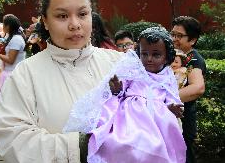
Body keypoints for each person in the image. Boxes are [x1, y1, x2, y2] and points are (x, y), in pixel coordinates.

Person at [0, 0, 123, 163]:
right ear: (45, 21)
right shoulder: (26, 74)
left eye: (83, 14)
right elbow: (14, 139)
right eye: (62, 16)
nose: (75, 24)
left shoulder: (117, 63)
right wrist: (82, 146)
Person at [64, 27, 186, 163]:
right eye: (144, 54)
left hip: (157, 117)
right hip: (130, 115)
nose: (149, 59)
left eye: (156, 55)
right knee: (118, 142)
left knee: (156, 146)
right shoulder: (133, 68)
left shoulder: (167, 75)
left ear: (166, 57)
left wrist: (170, 107)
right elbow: (122, 90)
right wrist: (117, 89)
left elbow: (171, 95)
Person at [170, 16, 206, 163]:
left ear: (192, 40)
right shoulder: (172, 54)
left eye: (179, 36)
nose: (174, 38)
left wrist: (163, 99)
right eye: (172, 34)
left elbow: (198, 88)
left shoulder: (194, 60)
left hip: (184, 119)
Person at [0, 14, 26, 99]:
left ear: (8, 26)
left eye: (4, 24)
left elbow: (10, 60)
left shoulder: (16, 39)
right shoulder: (14, 38)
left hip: (12, 75)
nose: (2, 26)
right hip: (9, 73)